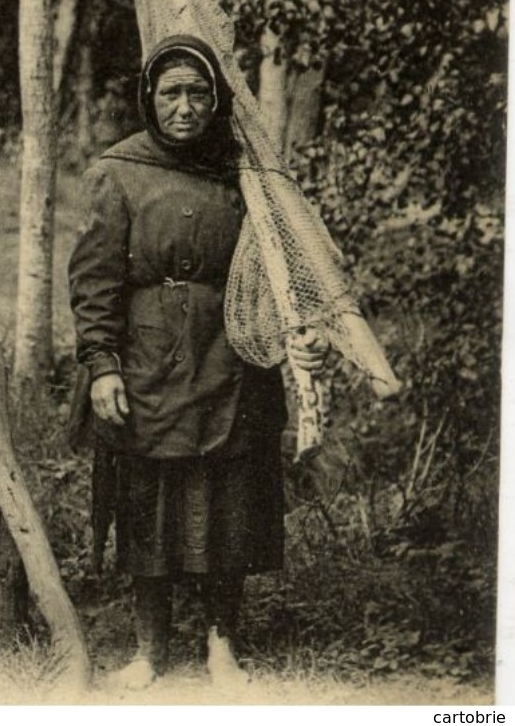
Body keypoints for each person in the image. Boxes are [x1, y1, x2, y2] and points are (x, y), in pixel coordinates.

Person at [68, 35, 331, 690]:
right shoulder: (117, 171)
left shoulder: (244, 173)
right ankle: (148, 647)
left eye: (196, 93)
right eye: (169, 94)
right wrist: (101, 363)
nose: (183, 107)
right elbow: (93, 281)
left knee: (227, 502)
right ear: (148, 99)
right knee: (147, 499)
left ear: (215, 100)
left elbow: (284, 266)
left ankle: (221, 644)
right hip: (146, 357)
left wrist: (301, 332)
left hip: (232, 352)